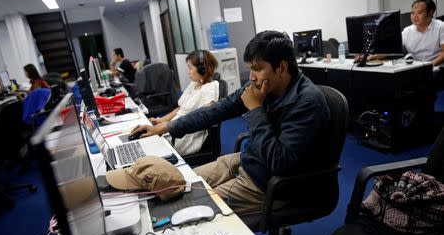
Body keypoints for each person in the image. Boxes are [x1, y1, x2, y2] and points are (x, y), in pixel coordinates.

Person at [131, 31, 330, 216]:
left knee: (193, 206)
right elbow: (218, 109)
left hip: (270, 183)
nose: (251, 77)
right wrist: (167, 127)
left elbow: (279, 162)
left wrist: (255, 110)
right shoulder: (263, 86)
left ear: (282, 67)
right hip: (249, 160)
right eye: (250, 69)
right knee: (178, 183)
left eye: (257, 69)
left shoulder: (308, 102)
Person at [148, 50, 219, 156]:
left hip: (187, 134)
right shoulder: (194, 85)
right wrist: (159, 121)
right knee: (147, 139)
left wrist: (169, 126)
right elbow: (179, 109)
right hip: (175, 126)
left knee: (150, 147)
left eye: (190, 68)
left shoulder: (210, 88)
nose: (188, 71)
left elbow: (204, 116)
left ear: (202, 69)